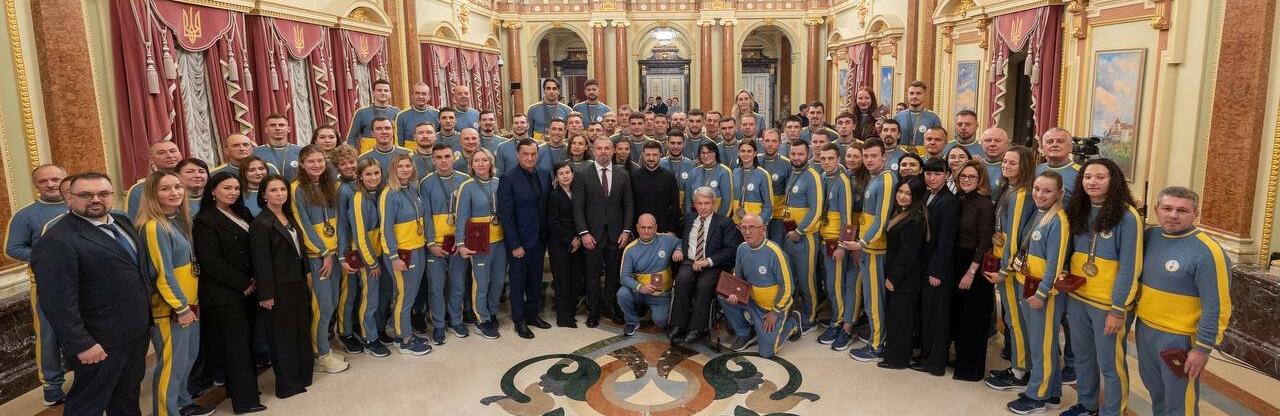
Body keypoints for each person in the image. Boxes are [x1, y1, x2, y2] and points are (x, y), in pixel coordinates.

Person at [33, 172, 152, 415]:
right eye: (86, 195)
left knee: (127, 395)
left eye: (103, 193)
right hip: (98, 340)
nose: (96, 199)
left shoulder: (122, 222)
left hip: (134, 332)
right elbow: (57, 303)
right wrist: (82, 344)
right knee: (87, 404)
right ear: (69, 198)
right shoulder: (57, 240)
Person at [1135, 187, 1231, 416]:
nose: (1173, 215)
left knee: (1179, 401)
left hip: (1179, 338)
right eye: (1167, 208)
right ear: (1157, 209)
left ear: (1195, 213)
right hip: (1145, 329)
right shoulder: (1149, 237)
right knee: (1156, 391)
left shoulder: (1208, 251)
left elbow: (1217, 305)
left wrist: (1202, 349)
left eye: (1182, 210)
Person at [1060, 158, 1143, 416]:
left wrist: (1118, 309)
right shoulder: (1079, 209)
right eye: (1087, 177)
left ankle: (1113, 412)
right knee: (1083, 356)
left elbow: (1130, 266)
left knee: (1110, 363)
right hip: (1078, 296)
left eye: (1100, 177)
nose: (1092, 182)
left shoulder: (1127, 216)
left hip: (1108, 303)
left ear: (1113, 181)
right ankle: (1088, 405)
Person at [192, 172, 266, 414]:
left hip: (248, 289)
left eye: (236, 188)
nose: (233, 192)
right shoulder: (205, 220)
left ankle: (246, 390)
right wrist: (243, 283)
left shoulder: (242, 212)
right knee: (236, 346)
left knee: (246, 343)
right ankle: (245, 401)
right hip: (224, 294)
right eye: (227, 188)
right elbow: (210, 261)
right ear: (213, 191)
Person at [1005, 171, 1071, 414]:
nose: (1040, 195)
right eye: (1037, 189)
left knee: (1042, 345)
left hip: (1044, 292)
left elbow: (1055, 263)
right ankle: (1052, 393)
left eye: (1047, 191)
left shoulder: (1058, 220)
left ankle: (1037, 396)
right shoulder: (1039, 213)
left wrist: (1042, 292)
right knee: (1040, 342)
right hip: (1028, 283)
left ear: (1059, 193)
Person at [4, 164, 68, 406]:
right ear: (36, 185)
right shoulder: (26, 215)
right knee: (48, 336)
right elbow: (12, 249)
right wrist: (46, 257)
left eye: (55, 179)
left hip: (86, 283)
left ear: (65, 180)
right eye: (44, 181)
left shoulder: (80, 207)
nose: (50, 184)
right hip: (47, 286)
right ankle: (52, 386)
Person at [249, 174, 314, 398]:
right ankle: (287, 384)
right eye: (274, 190)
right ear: (264, 195)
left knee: (300, 331)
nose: (280, 194)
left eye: (283, 189)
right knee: (281, 337)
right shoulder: (260, 224)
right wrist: (266, 294)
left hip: (296, 283)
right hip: (277, 288)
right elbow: (261, 261)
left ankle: (303, 376)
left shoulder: (288, 215)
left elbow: (299, 251)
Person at [290, 145, 350, 373]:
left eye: (320, 161)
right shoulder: (296, 189)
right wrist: (324, 253)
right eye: (311, 161)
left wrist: (339, 253)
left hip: (333, 255)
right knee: (322, 307)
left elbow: (340, 222)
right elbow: (302, 225)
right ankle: (320, 355)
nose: (316, 165)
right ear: (302, 164)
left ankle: (325, 348)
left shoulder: (330, 185)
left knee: (332, 303)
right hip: (317, 257)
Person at [984, 145, 1038, 391]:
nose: (1005, 165)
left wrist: (1004, 269)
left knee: (1016, 320)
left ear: (1024, 166)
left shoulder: (1022, 194)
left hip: (1012, 268)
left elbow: (1014, 237)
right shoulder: (1010, 188)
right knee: (1011, 318)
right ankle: (1019, 365)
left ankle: (1020, 371)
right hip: (1003, 259)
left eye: (1012, 162)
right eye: (1005, 161)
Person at [719, 214, 803, 356]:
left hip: (772, 308)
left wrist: (775, 312)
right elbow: (738, 279)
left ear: (763, 229)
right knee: (723, 297)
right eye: (743, 228)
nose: (747, 232)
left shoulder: (775, 252)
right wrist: (733, 294)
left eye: (752, 227)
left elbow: (788, 287)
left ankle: (793, 323)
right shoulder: (742, 249)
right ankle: (745, 333)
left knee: (767, 352)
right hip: (752, 301)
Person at [573, 137, 635, 327]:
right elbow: (577, 206)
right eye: (599, 148)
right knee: (592, 275)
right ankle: (594, 311)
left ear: (613, 150)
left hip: (617, 235)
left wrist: (626, 231)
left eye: (607, 148)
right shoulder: (582, 174)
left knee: (613, 274)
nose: (603, 152)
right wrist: (584, 233)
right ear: (593, 150)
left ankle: (611, 307)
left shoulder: (622, 174)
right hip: (592, 235)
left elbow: (628, 205)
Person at [376, 154, 433, 355]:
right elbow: (386, 228)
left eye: (408, 166)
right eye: (400, 166)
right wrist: (394, 256)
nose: (405, 169)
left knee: (410, 293)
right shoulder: (389, 193)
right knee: (404, 295)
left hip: (417, 248)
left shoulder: (413, 188)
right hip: (401, 253)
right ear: (393, 169)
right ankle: (405, 339)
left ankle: (400, 328)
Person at [669, 188, 741, 344]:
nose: (703, 207)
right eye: (699, 203)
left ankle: (697, 328)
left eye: (707, 203)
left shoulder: (724, 223)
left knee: (704, 285)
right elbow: (682, 239)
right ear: (694, 204)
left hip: (712, 264)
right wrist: (679, 248)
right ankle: (678, 325)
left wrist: (708, 261)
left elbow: (731, 249)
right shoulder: (689, 219)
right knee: (682, 280)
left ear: (714, 204)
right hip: (690, 261)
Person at [848, 138, 898, 362]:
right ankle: (875, 337)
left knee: (875, 300)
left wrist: (862, 243)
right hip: (869, 247)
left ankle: (877, 345)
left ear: (883, 157)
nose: (868, 160)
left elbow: (881, 219)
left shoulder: (886, 180)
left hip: (876, 249)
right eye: (866, 156)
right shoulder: (875, 177)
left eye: (873, 156)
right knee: (868, 297)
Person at [497, 139, 553, 339]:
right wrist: (515, 244)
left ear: (537, 154)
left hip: (539, 239)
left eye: (533, 154)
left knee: (535, 280)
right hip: (519, 241)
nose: (529, 158)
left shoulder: (544, 174)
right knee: (518, 282)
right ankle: (519, 320)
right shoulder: (508, 178)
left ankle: (533, 315)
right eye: (525, 154)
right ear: (517, 155)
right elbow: (506, 215)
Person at [419, 144, 471, 343]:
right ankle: (439, 324)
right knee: (436, 287)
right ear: (433, 160)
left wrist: (462, 241)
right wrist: (431, 243)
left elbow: (468, 214)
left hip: (458, 243)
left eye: (447, 156)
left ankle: (456, 320)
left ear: (453, 157)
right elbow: (425, 216)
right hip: (436, 245)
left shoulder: (464, 180)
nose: (443, 161)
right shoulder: (426, 183)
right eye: (439, 157)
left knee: (458, 285)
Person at [949, 160, 996, 382]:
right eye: (964, 176)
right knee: (959, 315)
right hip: (958, 260)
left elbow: (985, 242)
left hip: (974, 265)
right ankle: (961, 360)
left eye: (972, 177)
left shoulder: (983, 204)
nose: (967, 180)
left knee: (973, 319)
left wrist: (971, 271)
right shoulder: (960, 199)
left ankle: (971, 369)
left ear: (980, 180)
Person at [878, 177, 929, 370]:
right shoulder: (902, 213)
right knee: (897, 317)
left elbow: (908, 254)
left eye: (908, 193)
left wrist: (893, 278)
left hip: (905, 279)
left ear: (916, 196)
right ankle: (894, 354)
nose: (902, 196)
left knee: (902, 321)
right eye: (900, 191)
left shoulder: (915, 219)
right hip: (898, 275)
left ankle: (898, 360)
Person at [456, 149, 507, 339]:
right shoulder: (467, 186)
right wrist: (460, 243)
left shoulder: (498, 182)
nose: (481, 164)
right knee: (481, 282)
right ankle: (481, 319)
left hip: (500, 239)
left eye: (484, 160)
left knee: (498, 280)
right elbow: (461, 217)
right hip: (479, 240)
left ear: (491, 163)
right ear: (471, 165)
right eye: (476, 161)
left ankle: (491, 312)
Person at [346, 160, 390, 356]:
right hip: (366, 256)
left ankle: (379, 329)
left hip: (382, 252)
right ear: (360, 177)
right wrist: (371, 262)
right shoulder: (358, 199)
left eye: (376, 173)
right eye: (368, 174)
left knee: (382, 297)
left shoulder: (382, 193)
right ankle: (369, 337)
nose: (373, 178)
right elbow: (359, 235)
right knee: (369, 298)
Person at [815, 144, 856, 347]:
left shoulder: (842, 182)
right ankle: (835, 316)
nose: (827, 162)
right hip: (824, 238)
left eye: (831, 158)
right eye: (823, 158)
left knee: (836, 285)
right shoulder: (823, 177)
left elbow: (847, 217)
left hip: (835, 241)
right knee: (829, 284)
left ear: (838, 159)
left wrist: (842, 245)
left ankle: (839, 322)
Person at [781, 140, 824, 332]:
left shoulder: (813, 175)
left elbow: (816, 209)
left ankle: (811, 317)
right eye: (793, 154)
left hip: (805, 237)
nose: (796, 157)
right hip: (790, 235)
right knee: (794, 278)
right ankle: (799, 311)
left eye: (800, 154)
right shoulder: (793, 172)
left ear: (808, 154)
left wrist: (800, 231)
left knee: (807, 280)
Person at [617, 214, 684, 335]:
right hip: (640, 292)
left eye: (650, 228)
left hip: (661, 295)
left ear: (656, 227)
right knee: (622, 293)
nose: (646, 231)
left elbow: (682, 242)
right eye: (643, 227)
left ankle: (654, 313)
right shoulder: (630, 249)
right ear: (637, 228)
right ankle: (632, 322)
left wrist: (679, 249)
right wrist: (640, 287)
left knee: (661, 322)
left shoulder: (666, 239)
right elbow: (624, 277)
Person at [546, 161, 586, 327]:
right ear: (556, 177)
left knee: (574, 279)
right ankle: (563, 317)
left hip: (577, 241)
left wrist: (579, 238)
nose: (565, 176)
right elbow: (553, 223)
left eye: (567, 172)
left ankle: (571, 312)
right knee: (562, 281)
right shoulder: (554, 195)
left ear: (572, 174)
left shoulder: (578, 193)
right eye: (561, 174)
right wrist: (571, 240)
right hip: (560, 244)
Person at [633, 140, 683, 234]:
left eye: (654, 155)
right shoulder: (634, 177)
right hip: (639, 231)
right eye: (648, 155)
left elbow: (675, 205)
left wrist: (672, 230)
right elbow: (630, 206)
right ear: (643, 155)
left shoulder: (669, 177)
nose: (651, 158)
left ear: (660, 155)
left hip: (664, 230)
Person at [126, 141, 183, 219]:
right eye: (161, 153)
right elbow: (135, 222)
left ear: (180, 155)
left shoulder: (194, 182)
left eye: (173, 151)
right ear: (151, 159)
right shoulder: (139, 190)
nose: (169, 156)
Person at [347, 79, 401, 153]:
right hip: (368, 155)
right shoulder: (361, 113)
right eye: (379, 90)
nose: (383, 93)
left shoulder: (397, 112)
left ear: (390, 93)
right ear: (373, 93)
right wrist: (352, 155)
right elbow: (352, 137)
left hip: (392, 154)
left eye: (386, 91)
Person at [759, 129, 792, 243]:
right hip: (758, 213)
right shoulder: (755, 160)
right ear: (762, 142)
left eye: (774, 141)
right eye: (767, 141)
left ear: (780, 143)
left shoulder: (787, 164)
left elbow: (789, 194)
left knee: (776, 246)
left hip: (778, 216)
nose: (770, 144)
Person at [686, 142, 734, 218]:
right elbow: (688, 200)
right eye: (703, 153)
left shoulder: (724, 172)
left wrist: (718, 221)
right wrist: (689, 219)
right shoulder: (693, 172)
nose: (706, 155)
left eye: (709, 152)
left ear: (716, 153)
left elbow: (727, 202)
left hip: (716, 219)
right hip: (696, 219)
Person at [731, 140, 774, 226]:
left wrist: (759, 222)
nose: (745, 154)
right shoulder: (735, 172)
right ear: (738, 153)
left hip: (754, 226)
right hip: (736, 224)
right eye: (743, 151)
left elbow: (768, 205)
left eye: (749, 151)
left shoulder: (763, 174)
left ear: (755, 154)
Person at [892, 81, 942, 153]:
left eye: (918, 93)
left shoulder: (933, 118)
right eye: (911, 93)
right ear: (907, 95)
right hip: (901, 156)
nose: (914, 96)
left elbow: (938, 142)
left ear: (924, 95)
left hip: (923, 157)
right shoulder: (898, 117)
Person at [1037, 127, 1081, 204]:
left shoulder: (1081, 173)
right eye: (1050, 141)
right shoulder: (1037, 170)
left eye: (1060, 141)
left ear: (1070, 147)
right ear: (1043, 148)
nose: (1054, 145)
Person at [253, 114, 304, 181]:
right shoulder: (255, 152)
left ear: (288, 129)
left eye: (281, 125)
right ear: (266, 130)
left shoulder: (301, 151)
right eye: (273, 125)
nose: (277, 128)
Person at [211, 134, 278, 179]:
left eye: (245, 145)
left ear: (251, 149)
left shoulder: (269, 169)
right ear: (226, 150)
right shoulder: (215, 174)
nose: (242, 149)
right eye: (236, 146)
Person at [396, 83, 439, 149]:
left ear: (429, 96)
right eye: (417, 93)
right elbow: (399, 144)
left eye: (424, 94)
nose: (420, 96)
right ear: (412, 95)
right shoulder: (401, 116)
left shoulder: (438, 115)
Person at [981, 127, 1012, 194]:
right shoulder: (975, 166)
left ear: (1006, 144)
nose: (992, 144)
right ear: (981, 143)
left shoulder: (1015, 168)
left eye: (998, 140)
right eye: (988, 140)